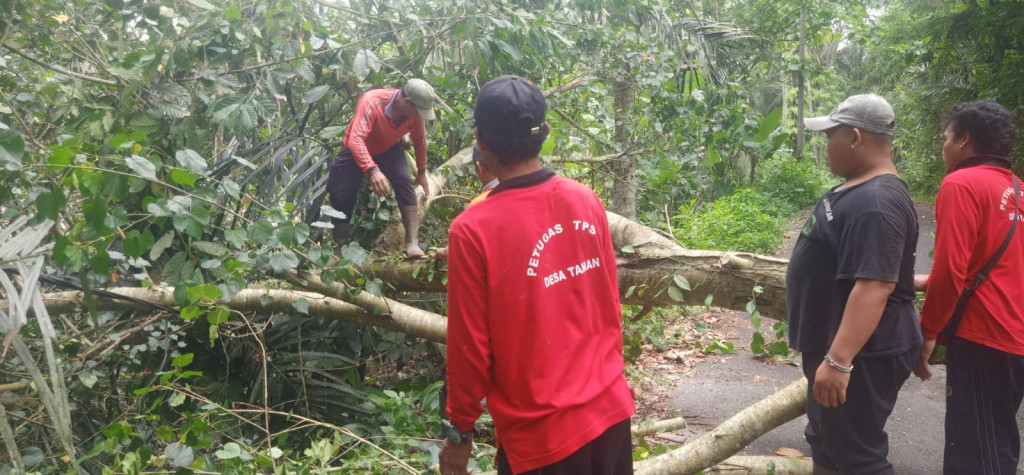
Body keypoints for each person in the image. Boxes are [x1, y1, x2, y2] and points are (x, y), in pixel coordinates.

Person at [438, 75, 635, 475]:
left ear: (481, 140)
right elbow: (609, 307)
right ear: (544, 132)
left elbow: (469, 350)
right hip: (612, 414)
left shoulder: (472, 229)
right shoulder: (585, 199)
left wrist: (459, 435)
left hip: (543, 441)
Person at [787, 94, 922, 474]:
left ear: (856, 138)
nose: (824, 145)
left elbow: (874, 286)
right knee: (827, 443)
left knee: (857, 456)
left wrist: (838, 361)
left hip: (862, 355)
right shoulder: (859, 187)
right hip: (837, 347)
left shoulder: (876, 201)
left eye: (830, 135)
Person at [914, 100, 1024, 475]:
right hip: (1015, 337)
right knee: (998, 440)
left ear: (963, 140)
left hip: (984, 336)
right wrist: (927, 282)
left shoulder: (961, 183)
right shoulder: (1018, 188)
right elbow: (1007, 266)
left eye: (946, 137)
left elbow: (951, 270)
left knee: (974, 454)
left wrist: (928, 332)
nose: (943, 145)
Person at [326, 78, 442, 257]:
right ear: (407, 102)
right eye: (417, 111)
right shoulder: (372, 102)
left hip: (388, 148)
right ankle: (341, 246)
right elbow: (356, 139)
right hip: (356, 148)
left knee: (403, 180)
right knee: (341, 192)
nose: (419, 116)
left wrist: (421, 171)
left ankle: (412, 243)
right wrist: (372, 170)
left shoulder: (414, 115)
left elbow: (420, 140)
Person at [429, 143, 498, 261]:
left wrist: (441, 253)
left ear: (479, 167)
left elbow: (460, 250)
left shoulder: (479, 204)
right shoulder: (520, 193)